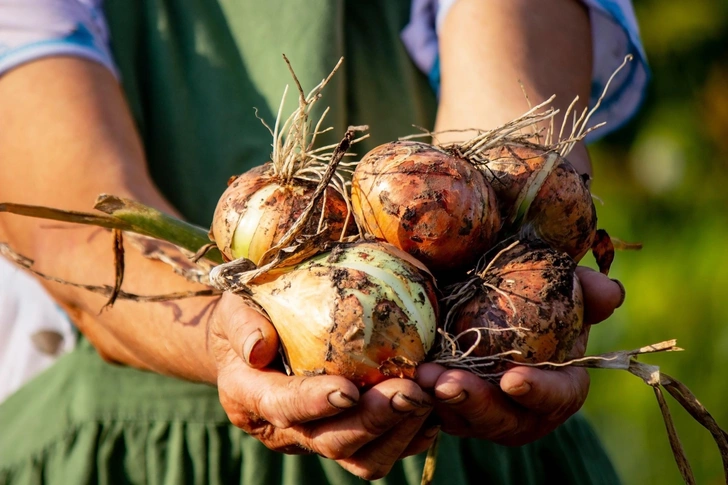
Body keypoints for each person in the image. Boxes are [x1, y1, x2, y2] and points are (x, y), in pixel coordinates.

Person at [0, 0, 647, 483]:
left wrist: (498, 213)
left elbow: (511, 89)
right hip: (130, 449)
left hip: (471, 427)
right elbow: (73, 224)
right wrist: (233, 336)